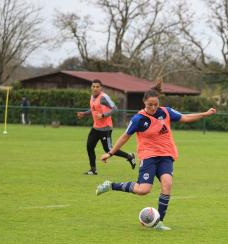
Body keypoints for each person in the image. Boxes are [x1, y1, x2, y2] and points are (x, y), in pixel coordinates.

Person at [95, 80, 216, 230]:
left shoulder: (166, 112)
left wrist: (205, 114)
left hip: (166, 155)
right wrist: (110, 153)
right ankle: (110, 185)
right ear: (144, 103)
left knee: (167, 184)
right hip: (148, 156)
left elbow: (185, 118)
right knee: (143, 190)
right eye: (149, 105)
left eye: (155, 105)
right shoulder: (138, 119)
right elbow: (125, 136)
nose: (153, 108)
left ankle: (158, 222)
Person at [76, 79, 136, 175]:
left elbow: (115, 109)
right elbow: (93, 109)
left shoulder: (104, 97)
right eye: (93, 86)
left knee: (109, 150)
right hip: (96, 127)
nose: (95, 88)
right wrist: (84, 113)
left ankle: (129, 156)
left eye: (97, 87)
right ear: (91, 87)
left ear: (101, 88)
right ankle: (93, 169)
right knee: (89, 146)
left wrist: (104, 115)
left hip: (105, 128)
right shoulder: (92, 97)